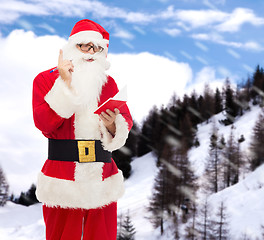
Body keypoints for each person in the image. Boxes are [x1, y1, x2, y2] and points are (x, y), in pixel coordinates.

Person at [32, 19, 133, 240]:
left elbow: (125, 123)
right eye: (83, 46)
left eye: (95, 47)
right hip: (62, 180)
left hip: (102, 180)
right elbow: (44, 124)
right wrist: (65, 86)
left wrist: (111, 126)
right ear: (71, 47)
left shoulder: (109, 84)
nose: (89, 52)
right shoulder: (45, 80)